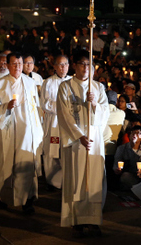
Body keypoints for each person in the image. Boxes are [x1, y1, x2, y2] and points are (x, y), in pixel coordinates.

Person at [57, 51, 109, 237]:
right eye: (82, 64)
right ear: (75, 66)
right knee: (76, 179)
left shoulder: (98, 87)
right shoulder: (65, 87)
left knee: (94, 180)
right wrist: (79, 136)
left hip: (94, 139)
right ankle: (76, 220)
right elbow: (64, 114)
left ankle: (93, 220)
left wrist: (94, 103)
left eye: (89, 64)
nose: (85, 68)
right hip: (76, 141)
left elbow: (105, 113)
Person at [0, 52, 44, 213]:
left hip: (27, 130)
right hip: (7, 130)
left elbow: (36, 106)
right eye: (14, 64)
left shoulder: (29, 82)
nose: (18, 67)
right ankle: (3, 196)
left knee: (26, 164)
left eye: (20, 64)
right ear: (7, 65)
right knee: (6, 163)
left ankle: (27, 200)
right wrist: (6, 107)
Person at [40, 54, 72, 190]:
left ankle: (67, 180)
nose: (63, 67)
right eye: (60, 64)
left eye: (65, 64)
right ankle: (52, 181)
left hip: (69, 122)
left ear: (69, 66)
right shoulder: (48, 82)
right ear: (54, 66)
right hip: (53, 121)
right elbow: (44, 103)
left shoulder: (73, 82)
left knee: (67, 151)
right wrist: (62, 106)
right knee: (52, 151)